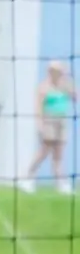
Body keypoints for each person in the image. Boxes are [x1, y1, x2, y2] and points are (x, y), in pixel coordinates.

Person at [22, 59, 76, 193]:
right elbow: (38, 107)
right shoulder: (44, 87)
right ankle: (28, 178)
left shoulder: (64, 86)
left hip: (62, 121)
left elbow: (76, 97)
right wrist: (40, 124)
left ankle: (61, 183)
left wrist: (68, 82)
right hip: (49, 121)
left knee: (59, 154)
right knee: (43, 152)